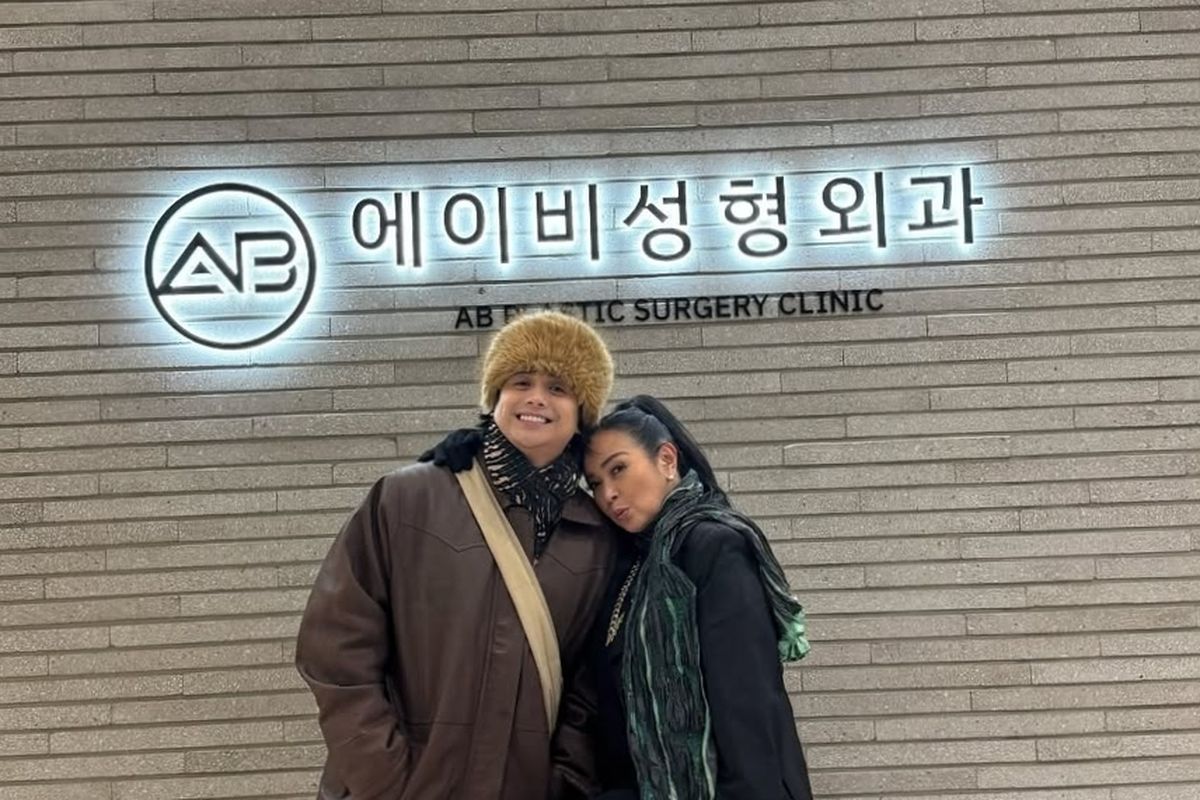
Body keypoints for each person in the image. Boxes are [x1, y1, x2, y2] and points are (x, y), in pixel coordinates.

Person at [295, 310, 620, 800]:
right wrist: (384, 778)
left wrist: (563, 780)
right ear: (495, 398)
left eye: (558, 387)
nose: (536, 397)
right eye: (520, 381)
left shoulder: (595, 536)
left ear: (582, 414)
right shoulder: (409, 499)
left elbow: (589, 685)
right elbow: (336, 648)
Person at [580, 395, 813, 800]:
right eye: (596, 484)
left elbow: (746, 704)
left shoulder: (712, 547)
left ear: (667, 460)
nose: (609, 494)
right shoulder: (633, 567)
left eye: (618, 469)